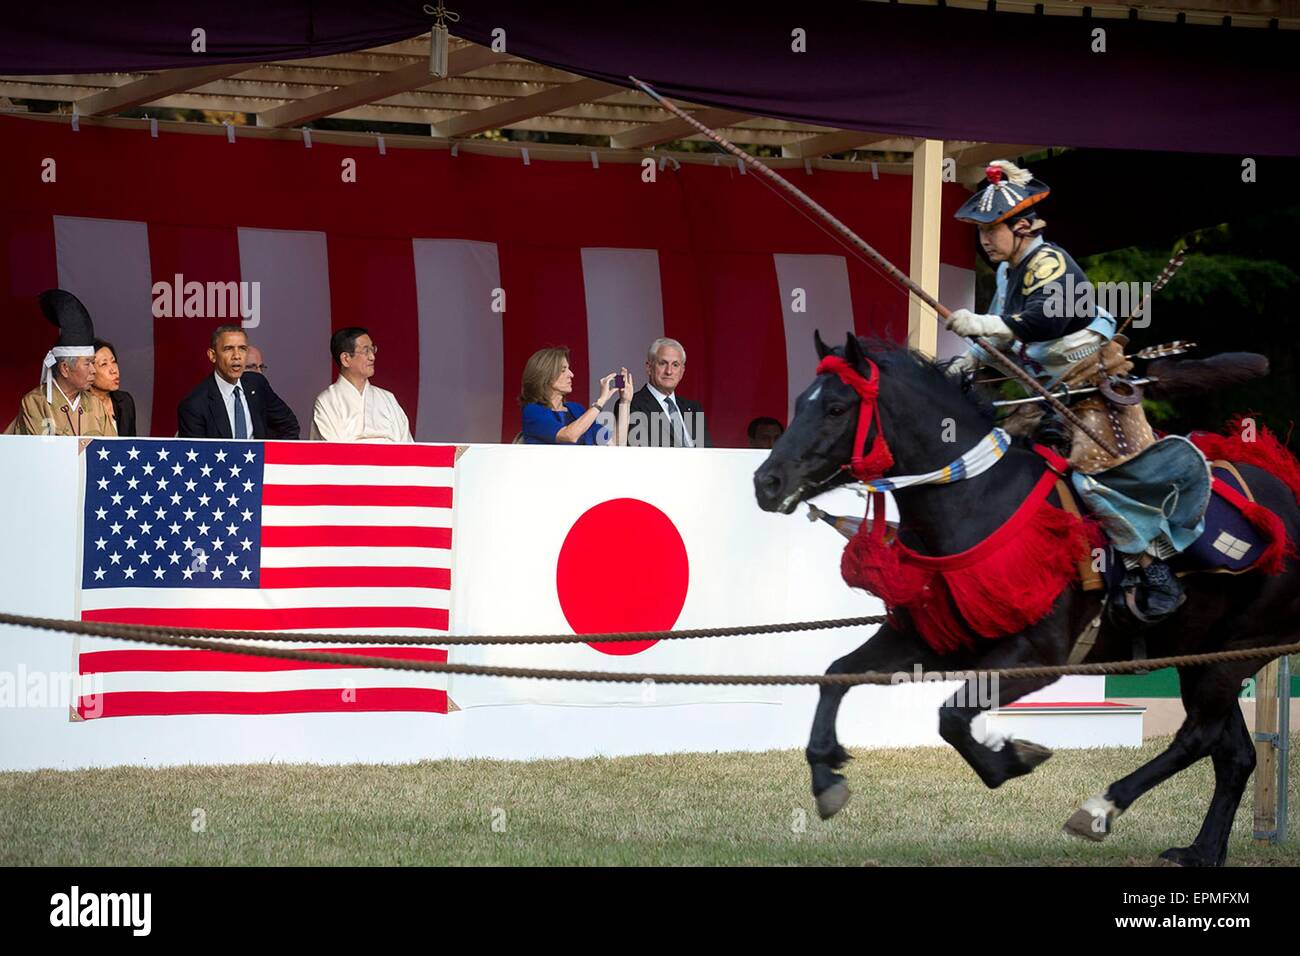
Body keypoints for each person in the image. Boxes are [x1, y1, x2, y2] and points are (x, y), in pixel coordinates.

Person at [945, 160, 1198, 625]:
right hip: (1049, 392)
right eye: (979, 230)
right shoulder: (1008, 272)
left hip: (1094, 390)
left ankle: (1156, 571)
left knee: (1091, 480)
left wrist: (981, 323)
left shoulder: (1052, 263)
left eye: (991, 229)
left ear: (1022, 227)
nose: (983, 239)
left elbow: (1047, 320)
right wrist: (972, 359)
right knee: (1007, 460)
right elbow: (1004, 332)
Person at [15, 289, 114, 437]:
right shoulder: (36, 402)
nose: (93, 370)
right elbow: (40, 452)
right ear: (65, 368)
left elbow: (111, 449)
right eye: (87, 363)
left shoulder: (95, 404)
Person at [177, 325, 299, 439]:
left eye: (242, 349)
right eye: (228, 349)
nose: (237, 356)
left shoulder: (257, 384)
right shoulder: (194, 405)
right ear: (212, 355)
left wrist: (268, 458)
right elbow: (197, 456)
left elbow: (289, 427)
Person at [310, 327, 412, 442]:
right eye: (366, 351)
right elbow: (334, 451)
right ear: (346, 359)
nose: (372, 357)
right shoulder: (328, 401)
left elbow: (407, 446)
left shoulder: (388, 398)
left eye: (372, 350)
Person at [519, 347, 631, 445]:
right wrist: (600, 401)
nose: (571, 374)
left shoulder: (576, 409)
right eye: (563, 370)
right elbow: (569, 435)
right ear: (545, 376)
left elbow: (615, 442)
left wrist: (625, 402)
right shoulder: (533, 411)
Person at [625, 337, 709, 447]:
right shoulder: (632, 405)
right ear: (649, 368)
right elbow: (641, 455)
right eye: (663, 363)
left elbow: (709, 452)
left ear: (682, 372)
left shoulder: (693, 408)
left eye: (675, 365)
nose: (669, 371)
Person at [88, 338, 137, 437]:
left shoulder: (125, 401)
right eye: (104, 364)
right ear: (89, 370)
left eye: (114, 361)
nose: (114, 370)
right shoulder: (79, 404)